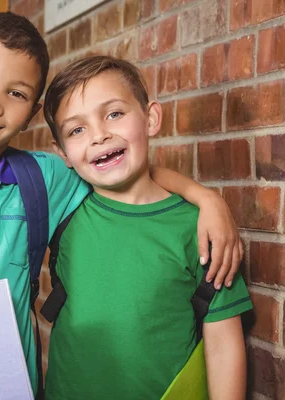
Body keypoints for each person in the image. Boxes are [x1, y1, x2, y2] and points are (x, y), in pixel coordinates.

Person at [0, 12, 243, 399]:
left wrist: (207, 199)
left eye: (15, 92)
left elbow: (133, 178)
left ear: (31, 115)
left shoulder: (53, 181)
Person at [38, 55, 253, 400]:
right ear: (62, 153)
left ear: (151, 118)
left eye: (114, 114)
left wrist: (208, 202)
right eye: (77, 130)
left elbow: (224, 345)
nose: (100, 135)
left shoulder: (198, 230)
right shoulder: (64, 205)